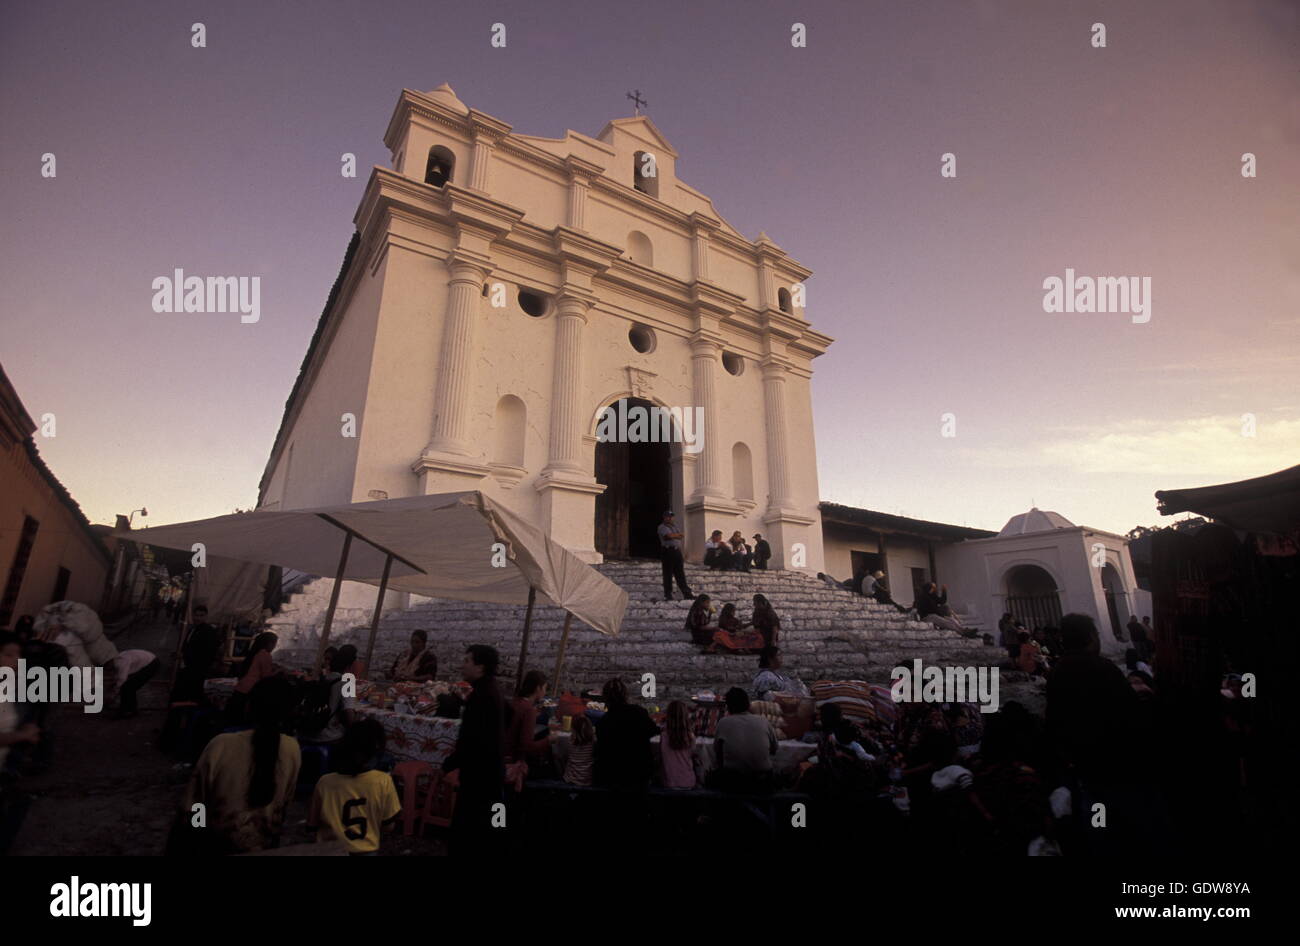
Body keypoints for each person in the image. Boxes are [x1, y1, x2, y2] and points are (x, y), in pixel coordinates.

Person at [179, 676, 301, 854]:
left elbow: (196, 804)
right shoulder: (292, 749)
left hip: (215, 844)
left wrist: (196, 839)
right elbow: (284, 805)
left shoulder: (221, 744)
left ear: (249, 706)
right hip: (264, 844)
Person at [443, 645, 506, 853]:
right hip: (491, 769)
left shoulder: (482, 695)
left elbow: (470, 737)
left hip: (479, 771)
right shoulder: (490, 690)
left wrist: (449, 763)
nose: (463, 664)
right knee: (489, 821)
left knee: (470, 824)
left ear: (480, 667)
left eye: (467, 661)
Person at [309, 719, 401, 855]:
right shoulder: (383, 781)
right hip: (366, 849)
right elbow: (389, 825)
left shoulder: (325, 782)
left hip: (329, 850)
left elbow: (312, 825)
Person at [592, 677, 658, 790]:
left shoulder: (603, 722)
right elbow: (654, 731)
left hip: (612, 777)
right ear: (625, 695)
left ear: (605, 698)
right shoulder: (638, 712)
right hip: (639, 775)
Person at [711, 687, 777, 793]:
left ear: (728, 706)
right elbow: (774, 749)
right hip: (763, 782)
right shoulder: (763, 721)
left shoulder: (723, 723)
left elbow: (717, 752)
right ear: (748, 703)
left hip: (733, 782)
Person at [299, 646, 359, 745]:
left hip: (307, 730)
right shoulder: (347, 683)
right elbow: (349, 714)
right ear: (350, 665)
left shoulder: (324, 678)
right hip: (326, 735)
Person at [506, 670, 558, 772]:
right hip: (514, 763)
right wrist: (549, 740)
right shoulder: (528, 709)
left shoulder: (515, 701)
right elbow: (527, 747)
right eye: (544, 688)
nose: (544, 692)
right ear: (538, 688)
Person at [172, 605, 222, 703]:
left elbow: (207, 652)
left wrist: (185, 656)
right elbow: (189, 645)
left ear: (206, 616)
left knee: (192, 695)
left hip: (197, 670)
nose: (198, 618)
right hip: (188, 667)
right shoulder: (194, 629)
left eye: (201, 615)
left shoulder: (209, 631)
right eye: (196, 615)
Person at [227, 631, 278, 723]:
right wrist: (279, 671)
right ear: (269, 644)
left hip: (241, 687)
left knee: (233, 718)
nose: (274, 647)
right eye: (274, 644)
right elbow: (266, 676)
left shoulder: (255, 652)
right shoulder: (265, 654)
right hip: (250, 689)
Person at [110, 648, 160, 718]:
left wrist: (113, 695)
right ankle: (131, 710)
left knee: (127, 687)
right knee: (129, 687)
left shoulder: (120, 662)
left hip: (151, 664)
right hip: (150, 661)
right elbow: (118, 677)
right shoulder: (117, 659)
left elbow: (121, 679)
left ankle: (126, 711)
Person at [660, 700, 699, 789]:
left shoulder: (664, 735)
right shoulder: (690, 736)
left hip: (669, 783)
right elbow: (693, 755)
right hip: (689, 782)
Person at [657, 510, 693, 601]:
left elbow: (681, 536)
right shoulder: (662, 527)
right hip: (668, 551)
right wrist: (676, 535)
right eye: (668, 516)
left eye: (671, 516)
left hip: (677, 551)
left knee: (680, 573)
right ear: (664, 517)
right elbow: (668, 536)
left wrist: (675, 535)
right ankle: (668, 594)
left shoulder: (675, 526)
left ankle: (686, 593)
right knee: (668, 573)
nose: (670, 518)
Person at [563, 715, 595, 787]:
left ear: (573, 730)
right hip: (587, 779)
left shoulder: (570, 742)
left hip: (571, 778)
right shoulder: (593, 743)